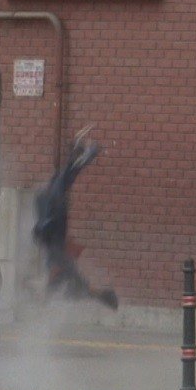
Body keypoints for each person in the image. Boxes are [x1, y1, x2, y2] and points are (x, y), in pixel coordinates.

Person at [32, 127, 118, 311]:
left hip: (54, 245)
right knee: (71, 286)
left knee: (71, 286)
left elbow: (69, 172)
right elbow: (70, 173)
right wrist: (88, 153)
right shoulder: (55, 196)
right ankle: (105, 298)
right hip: (55, 245)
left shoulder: (52, 194)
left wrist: (85, 153)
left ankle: (105, 297)